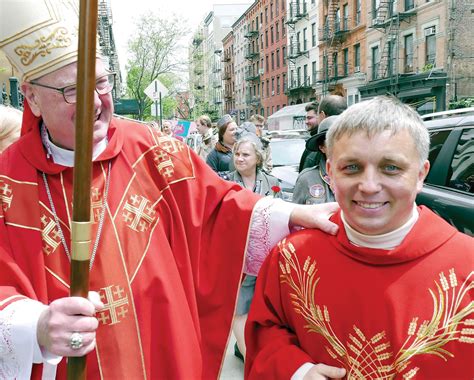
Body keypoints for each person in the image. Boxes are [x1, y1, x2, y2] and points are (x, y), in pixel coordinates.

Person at [0, 1, 339, 378]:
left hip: (159, 352)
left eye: (101, 83)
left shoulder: (150, 148)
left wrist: (291, 214)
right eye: (72, 91)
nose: (95, 103)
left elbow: (218, 208)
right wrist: (37, 326)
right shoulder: (7, 181)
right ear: (31, 96)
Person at [245, 96, 474, 379]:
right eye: (351, 167)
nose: (368, 186)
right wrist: (298, 371)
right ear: (330, 172)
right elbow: (265, 331)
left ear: (420, 174)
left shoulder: (468, 267)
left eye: (391, 168)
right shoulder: (290, 258)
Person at [227, 135, 282, 361]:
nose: (239, 158)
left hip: (267, 256)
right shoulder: (225, 182)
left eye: (245, 155)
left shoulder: (272, 182)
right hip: (237, 257)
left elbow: (280, 213)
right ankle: (247, 355)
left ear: (257, 158)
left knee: (265, 308)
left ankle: (259, 349)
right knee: (239, 307)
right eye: (237, 154)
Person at [292, 116, 338, 205]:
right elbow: (296, 215)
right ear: (322, 147)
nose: (340, 147)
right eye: (332, 142)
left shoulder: (358, 177)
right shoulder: (307, 179)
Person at [299, 95, 347, 172]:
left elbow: (307, 180)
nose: (306, 122)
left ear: (322, 115)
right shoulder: (355, 141)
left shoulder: (314, 149)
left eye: (310, 118)